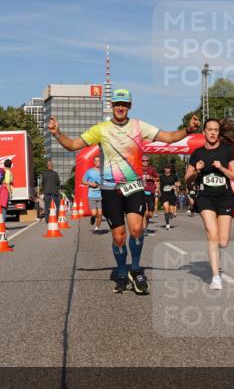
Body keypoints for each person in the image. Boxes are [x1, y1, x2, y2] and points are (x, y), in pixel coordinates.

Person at [48, 88, 199, 295]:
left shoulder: (139, 126)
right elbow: (73, 145)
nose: (120, 107)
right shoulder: (101, 129)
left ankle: (135, 270)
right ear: (112, 106)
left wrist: (188, 130)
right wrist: (57, 133)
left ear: (130, 106)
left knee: (137, 230)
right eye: (117, 103)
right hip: (110, 188)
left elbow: (170, 137)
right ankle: (121, 272)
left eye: (124, 104)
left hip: (134, 185)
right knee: (119, 237)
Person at [185, 118, 234, 290]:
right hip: (205, 196)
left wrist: (222, 168)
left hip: (224, 196)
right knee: (212, 233)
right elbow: (187, 179)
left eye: (216, 130)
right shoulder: (197, 154)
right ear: (204, 132)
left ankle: (216, 268)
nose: (213, 132)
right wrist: (197, 170)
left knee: (223, 242)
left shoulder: (227, 151)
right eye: (209, 129)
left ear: (218, 132)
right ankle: (216, 276)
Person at [83, 154, 104, 232]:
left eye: (99, 160)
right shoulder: (89, 171)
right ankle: (92, 217)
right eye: (96, 161)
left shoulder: (103, 171)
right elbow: (83, 181)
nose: (97, 162)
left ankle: (97, 228)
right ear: (94, 162)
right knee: (95, 213)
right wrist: (91, 184)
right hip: (92, 195)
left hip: (101, 195)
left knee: (100, 214)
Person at [141, 156, 159, 235]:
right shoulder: (138, 169)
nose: (145, 161)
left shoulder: (152, 169)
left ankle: (145, 224)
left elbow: (158, 178)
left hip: (150, 192)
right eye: (143, 160)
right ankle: (144, 228)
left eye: (147, 160)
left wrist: (151, 177)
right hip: (141, 191)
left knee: (150, 214)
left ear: (149, 161)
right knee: (144, 211)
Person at [160, 163, 180, 229]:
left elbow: (178, 183)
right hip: (164, 194)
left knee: (171, 213)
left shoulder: (174, 176)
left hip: (171, 194)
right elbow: (159, 185)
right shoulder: (162, 176)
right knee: (166, 209)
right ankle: (167, 224)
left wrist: (175, 185)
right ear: (164, 169)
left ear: (170, 169)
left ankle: (171, 215)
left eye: (168, 168)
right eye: (166, 168)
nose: (167, 169)